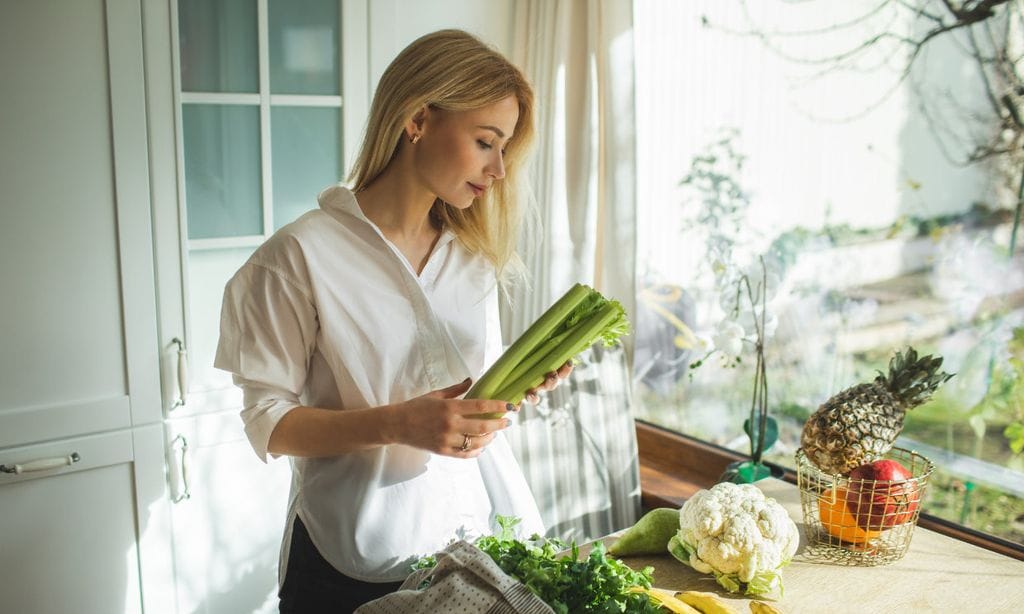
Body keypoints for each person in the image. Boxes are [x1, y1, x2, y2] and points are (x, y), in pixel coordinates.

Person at [214, 29, 570, 613]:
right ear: (418, 120)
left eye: (504, 148)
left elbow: (471, 404)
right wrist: (399, 423)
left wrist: (517, 386)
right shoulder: (298, 257)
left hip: (470, 553)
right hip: (350, 563)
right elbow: (268, 423)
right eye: (486, 142)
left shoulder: (472, 257)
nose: (500, 168)